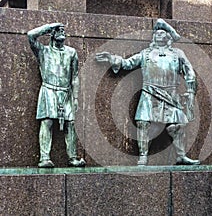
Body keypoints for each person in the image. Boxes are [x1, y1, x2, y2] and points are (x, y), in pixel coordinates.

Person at [96, 19, 200, 166]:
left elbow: (190, 71)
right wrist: (112, 59)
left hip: (170, 94)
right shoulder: (146, 53)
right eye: (156, 32)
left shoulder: (177, 54)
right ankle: (143, 156)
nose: (158, 34)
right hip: (149, 93)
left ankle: (181, 155)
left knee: (178, 124)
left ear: (168, 36)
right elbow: (128, 63)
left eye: (162, 32)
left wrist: (190, 90)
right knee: (143, 123)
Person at [28, 23, 86, 168]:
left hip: (66, 92)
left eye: (63, 31)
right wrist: (48, 27)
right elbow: (30, 35)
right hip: (48, 90)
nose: (62, 33)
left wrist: (76, 97)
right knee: (47, 122)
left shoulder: (71, 53)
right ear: (51, 34)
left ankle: (72, 158)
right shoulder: (43, 51)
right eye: (58, 31)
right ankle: (44, 158)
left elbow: (75, 77)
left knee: (71, 124)